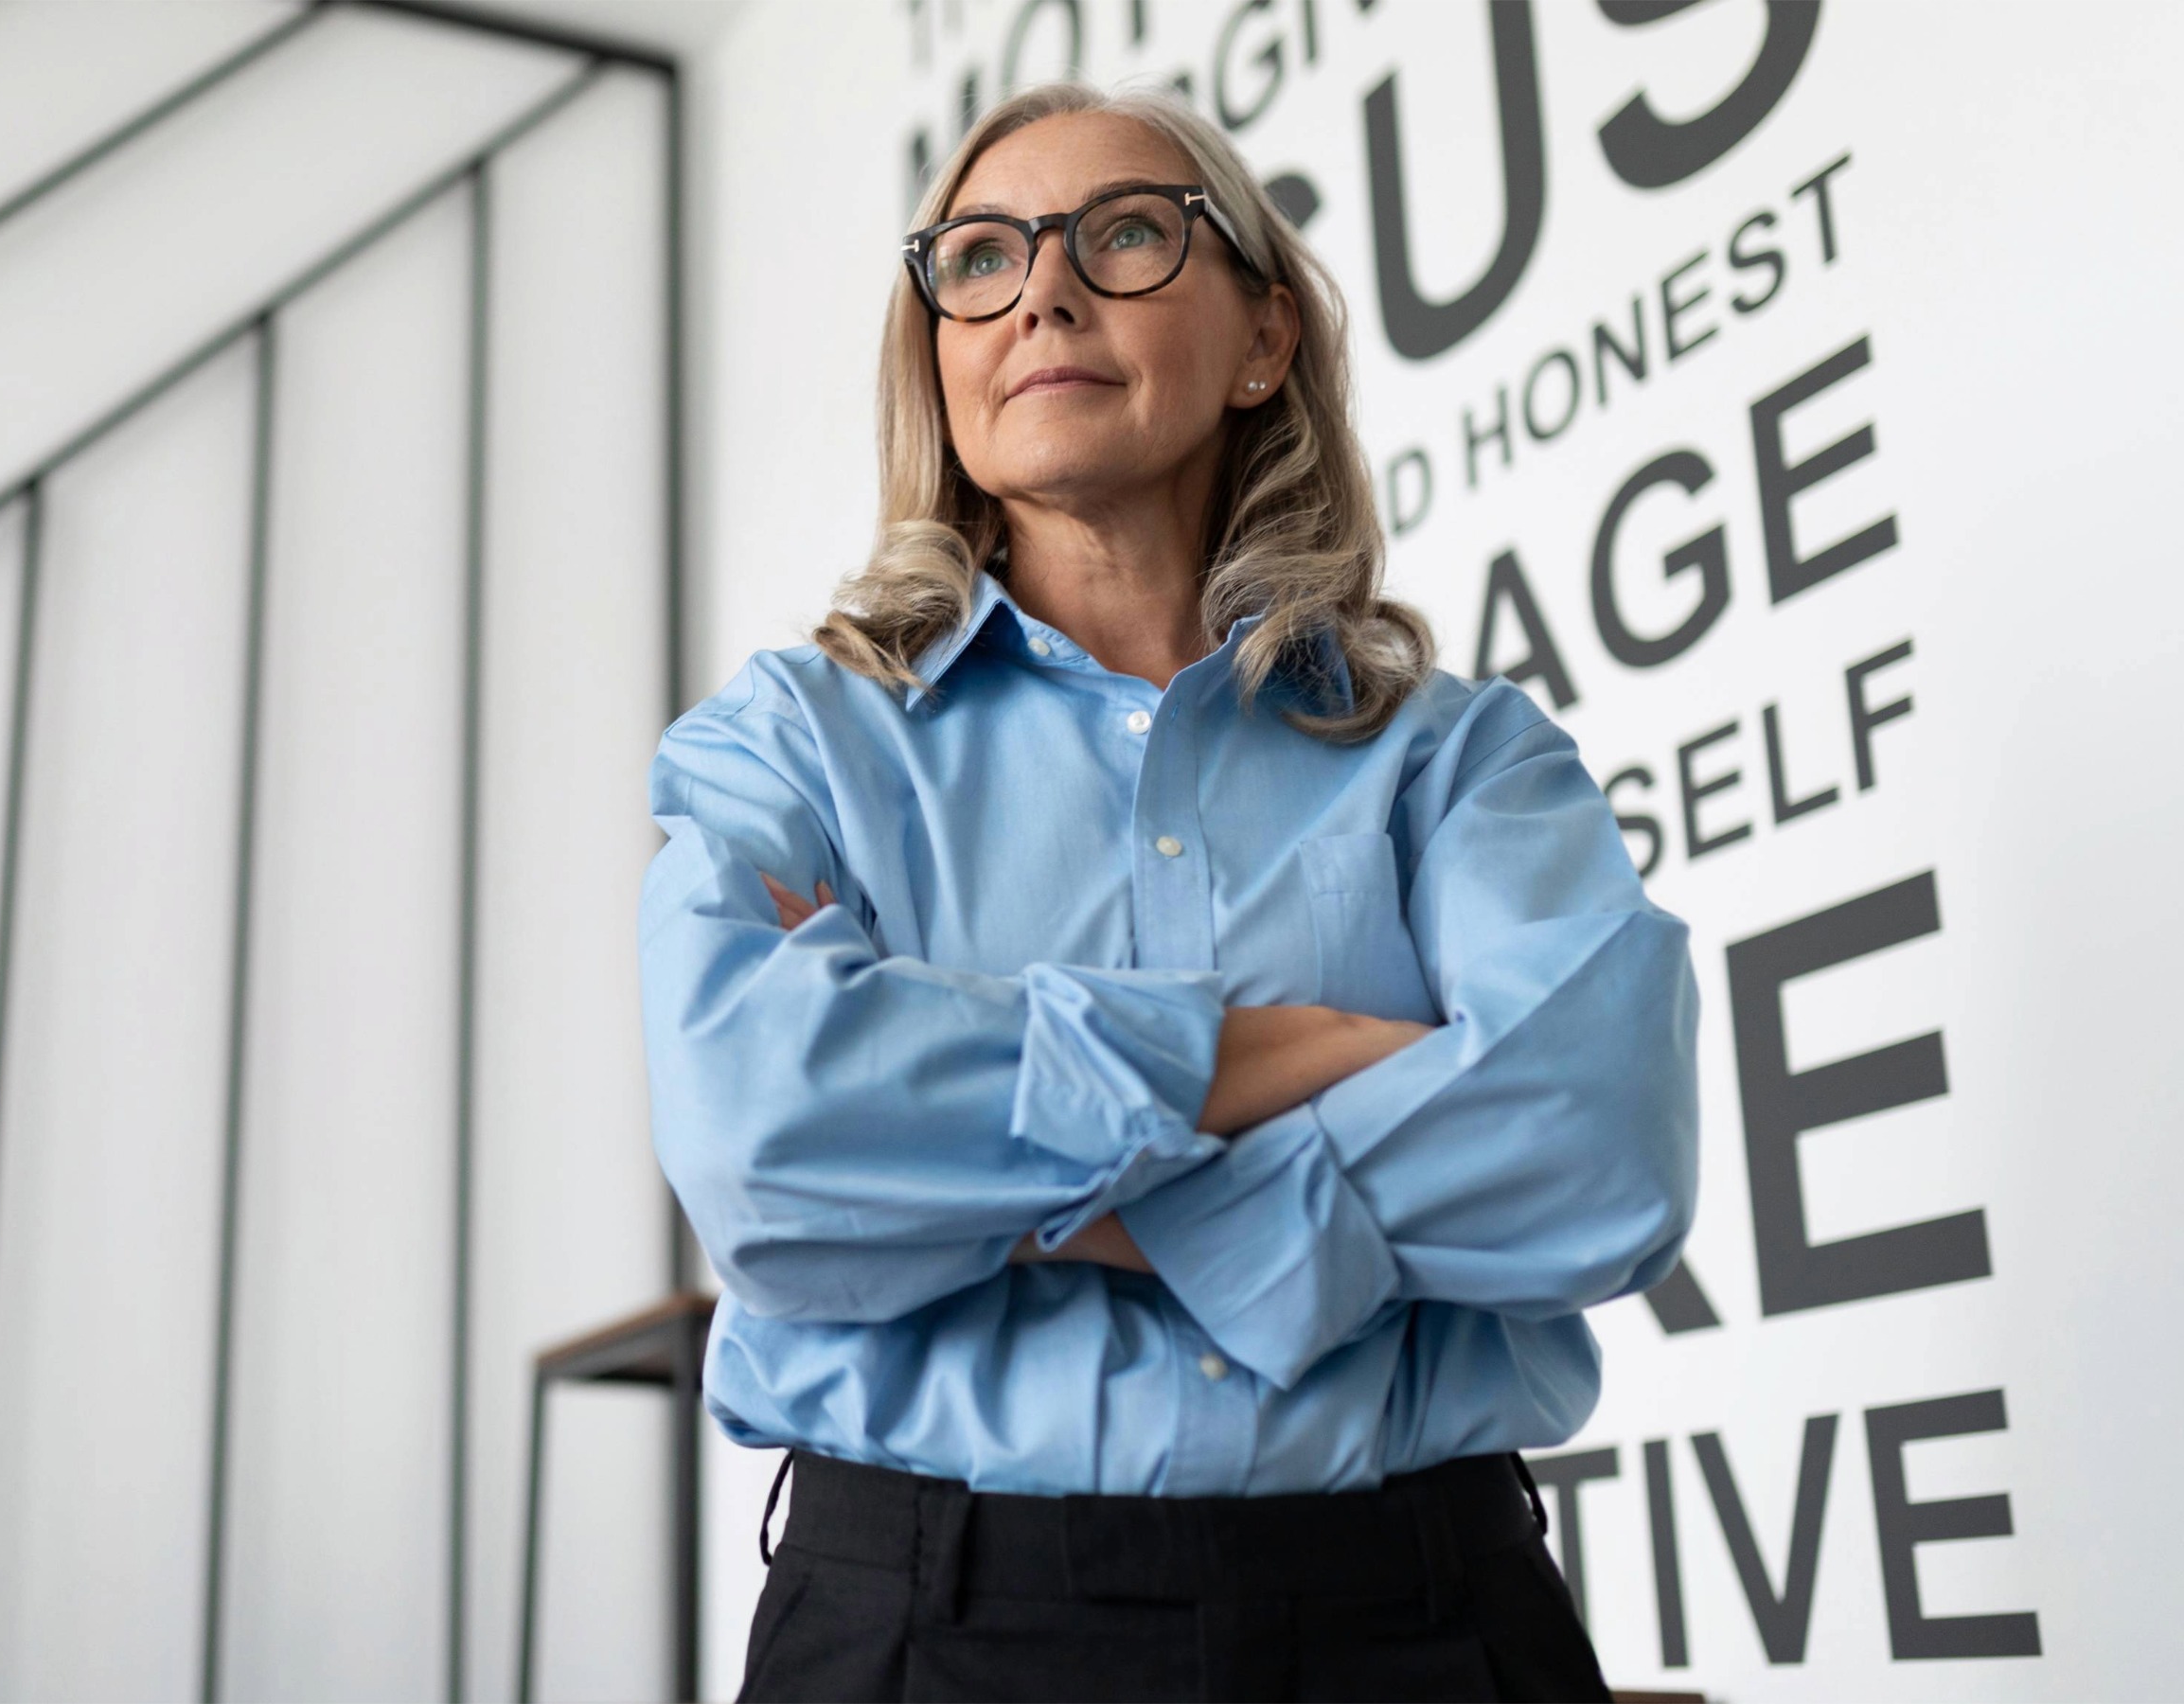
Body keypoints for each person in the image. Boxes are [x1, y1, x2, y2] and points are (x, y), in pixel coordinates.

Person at [639, 80, 1698, 1704]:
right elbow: (771, 1150)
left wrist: (1012, 1185)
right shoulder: (794, 744)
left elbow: (1601, 1151)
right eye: (980, 258)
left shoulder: (1455, 758)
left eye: (1125, 234)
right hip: (935, 1629)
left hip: (1424, 1621)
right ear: (938, 352)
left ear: (1266, 338)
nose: (1042, 292)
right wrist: (1305, 1048)